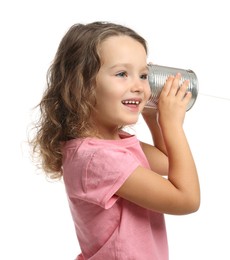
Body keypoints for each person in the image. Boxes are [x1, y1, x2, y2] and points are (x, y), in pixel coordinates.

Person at [29, 21, 200, 259]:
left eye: (143, 75)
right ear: (82, 85)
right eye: (122, 74)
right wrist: (173, 125)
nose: (139, 87)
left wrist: (155, 119)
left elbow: (170, 163)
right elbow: (187, 199)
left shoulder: (110, 145)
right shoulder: (98, 159)